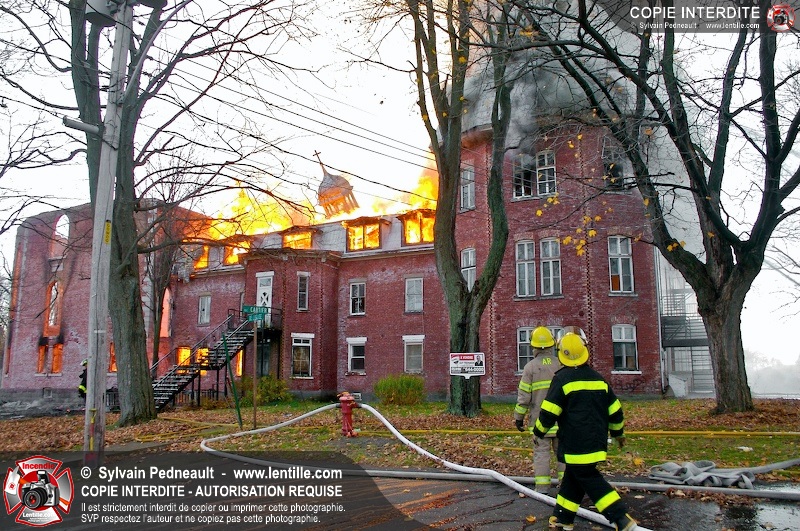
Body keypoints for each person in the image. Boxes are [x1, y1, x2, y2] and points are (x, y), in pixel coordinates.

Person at [533, 332, 637, 531]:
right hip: (597, 442)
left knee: (589, 478)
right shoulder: (598, 379)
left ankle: (621, 518)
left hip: (575, 443)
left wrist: (538, 432)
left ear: (561, 355)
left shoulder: (561, 379)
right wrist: (618, 434)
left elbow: (549, 412)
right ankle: (562, 518)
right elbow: (615, 410)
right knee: (573, 479)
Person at [513, 326, 564, 493]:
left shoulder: (530, 368)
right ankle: (567, 487)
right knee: (563, 454)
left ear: (533, 347)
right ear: (552, 345)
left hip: (540, 422)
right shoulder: (561, 364)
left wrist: (519, 417)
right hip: (562, 421)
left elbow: (524, 397)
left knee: (541, 454)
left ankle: (542, 488)